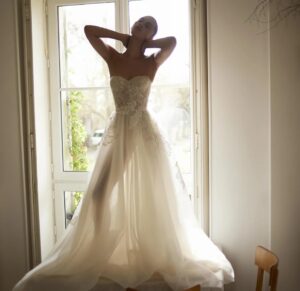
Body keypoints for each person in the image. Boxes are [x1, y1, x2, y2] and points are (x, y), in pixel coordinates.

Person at [12, 16, 234, 291]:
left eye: (148, 25)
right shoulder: (112, 57)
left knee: (151, 194)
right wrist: (124, 38)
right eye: (140, 22)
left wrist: (144, 42)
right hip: (118, 132)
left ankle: (152, 252)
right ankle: (101, 249)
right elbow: (88, 29)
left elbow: (172, 42)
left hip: (143, 132)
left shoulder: (152, 62)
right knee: (99, 194)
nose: (141, 25)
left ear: (152, 33)